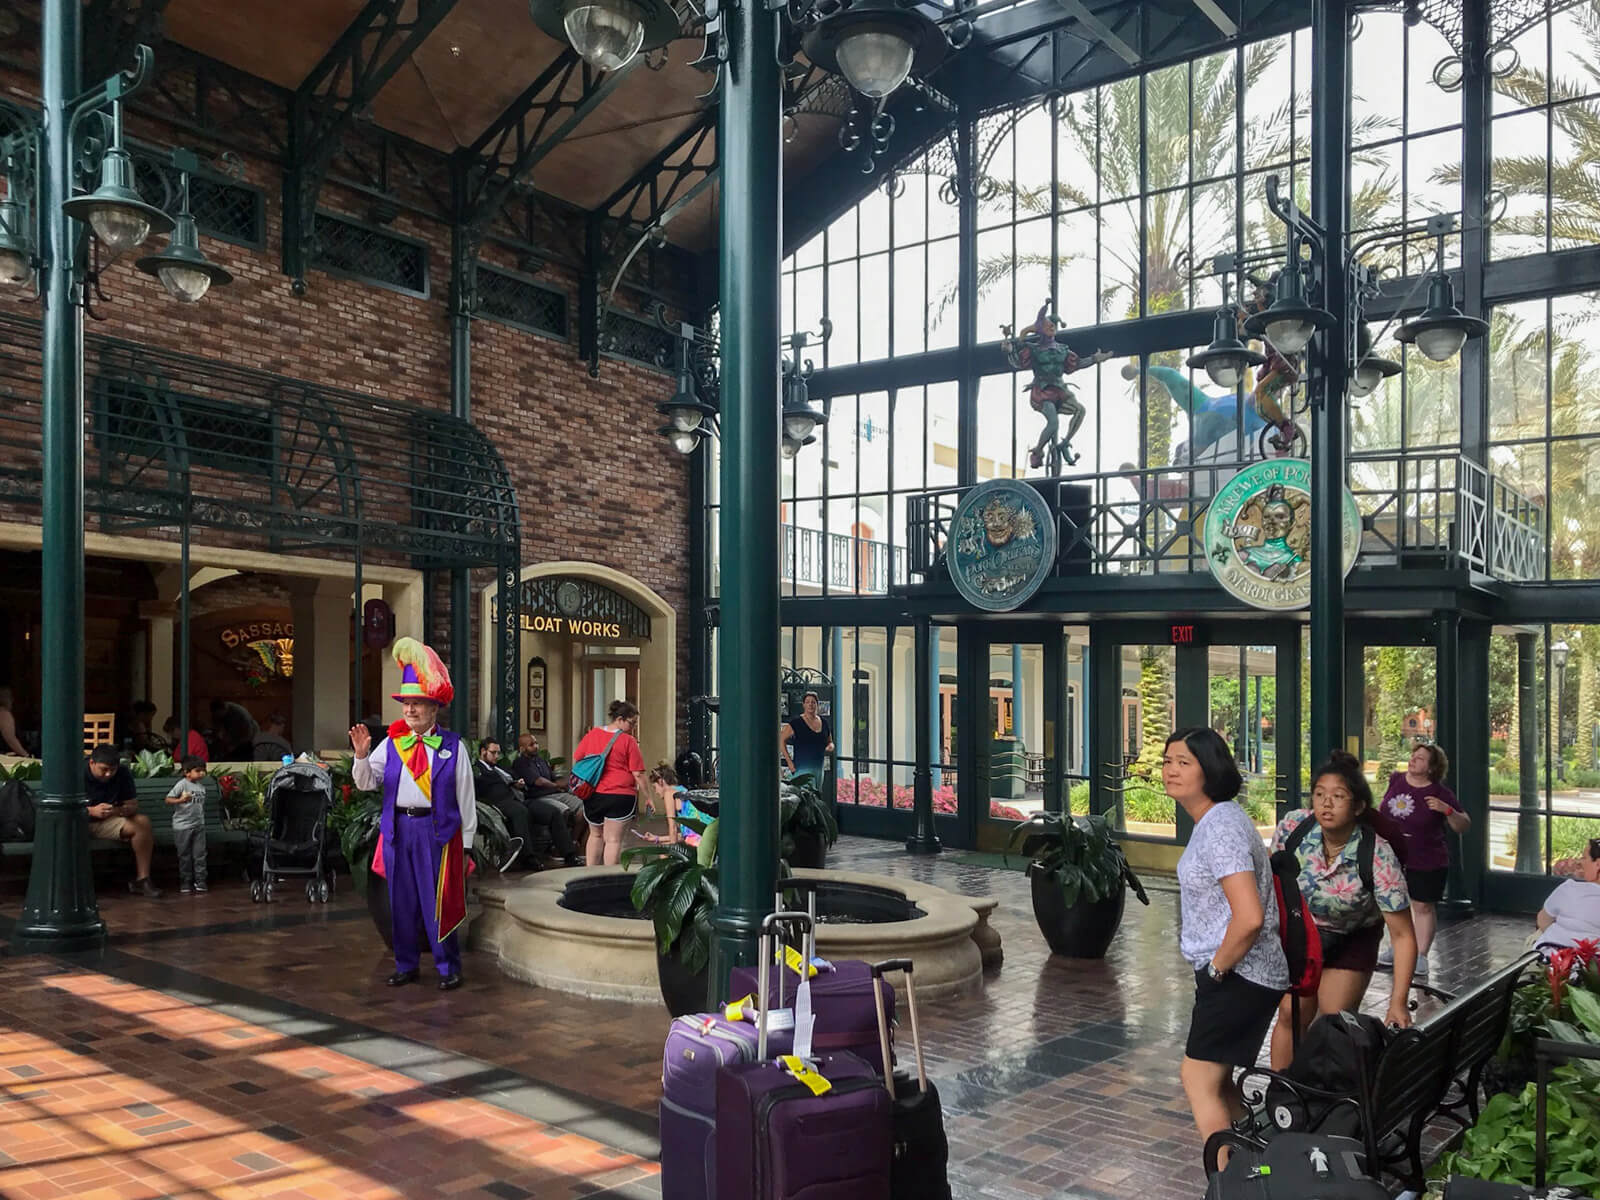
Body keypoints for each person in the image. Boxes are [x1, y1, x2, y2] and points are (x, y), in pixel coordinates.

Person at [1168, 727, 1289, 1153]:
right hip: (1245, 974)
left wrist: (1216, 969)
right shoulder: (1219, 820)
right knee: (1220, 1085)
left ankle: (1227, 1180)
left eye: (1184, 762)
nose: (1171, 770)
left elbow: (1250, 916)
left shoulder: (1220, 827)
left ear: (1210, 770)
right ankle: (1267, 1165)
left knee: (1198, 1078)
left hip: (1240, 973)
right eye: (1168, 761)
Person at [1268, 751, 1417, 1069]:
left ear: (1359, 806)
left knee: (1332, 1023)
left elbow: (1403, 936)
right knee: (1291, 1014)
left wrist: (1398, 1002)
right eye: (1319, 795)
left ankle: (1323, 1096)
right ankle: (1282, 1097)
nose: (1326, 804)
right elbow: (1271, 884)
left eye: (1338, 796)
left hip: (1352, 937)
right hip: (1303, 935)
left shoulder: (1377, 855)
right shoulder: (1293, 828)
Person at [350, 637, 476, 991]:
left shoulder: (454, 747)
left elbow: (465, 796)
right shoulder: (390, 743)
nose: (410, 710)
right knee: (401, 902)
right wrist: (361, 755)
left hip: (437, 833)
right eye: (407, 704)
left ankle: (448, 966)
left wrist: (466, 845)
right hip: (398, 831)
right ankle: (406, 965)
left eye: (418, 704)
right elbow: (365, 784)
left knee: (438, 903)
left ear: (434, 709)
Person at [1373, 742, 1469, 979]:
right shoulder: (1396, 780)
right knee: (1395, 903)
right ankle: (1397, 948)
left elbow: (1463, 825)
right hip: (1393, 857)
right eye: (1413, 756)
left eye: (1421, 758)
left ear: (1431, 767)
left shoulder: (1440, 793)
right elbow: (1382, 808)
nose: (1413, 760)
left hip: (1428, 857)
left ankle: (1421, 956)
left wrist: (1447, 810)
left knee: (1422, 906)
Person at [573, 699, 652, 866]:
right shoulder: (628, 741)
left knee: (595, 835)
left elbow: (578, 757)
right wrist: (648, 796)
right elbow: (638, 773)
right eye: (632, 723)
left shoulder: (593, 734)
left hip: (594, 794)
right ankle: (609, 880)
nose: (633, 727)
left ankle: (589, 876)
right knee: (613, 840)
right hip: (620, 795)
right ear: (620, 719)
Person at [85, 745, 161, 897]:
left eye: (112, 770)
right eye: (103, 769)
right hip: (78, 821)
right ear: (91, 763)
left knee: (142, 822)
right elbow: (65, 808)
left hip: (109, 819)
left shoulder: (122, 773)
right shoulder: (75, 772)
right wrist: (91, 810)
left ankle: (142, 879)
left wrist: (120, 810)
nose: (108, 774)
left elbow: (132, 804)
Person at [512, 732, 585, 846]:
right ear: (522, 748)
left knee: (584, 807)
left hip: (556, 794)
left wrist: (564, 785)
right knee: (564, 811)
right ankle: (559, 846)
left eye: (536, 743)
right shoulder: (520, 763)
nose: (536, 746)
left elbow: (554, 778)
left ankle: (573, 840)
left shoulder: (541, 761)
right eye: (531, 745)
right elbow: (538, 781)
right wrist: (556, 785)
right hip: (538, 797)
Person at [1534, 837, 1600, 953]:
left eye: (1584, 858)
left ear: (1598, 864)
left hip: (1552, 961)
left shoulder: (1569, 889)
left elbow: (1543, 920)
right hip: (1591, 966)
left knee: (1535, 936)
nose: (1580, 862)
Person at [165, 755, 210, 894]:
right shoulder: (182, 784)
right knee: (184, 855)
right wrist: (180, 800)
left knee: (199, 854)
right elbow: (168, 799)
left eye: (203, 771)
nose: (201, 773)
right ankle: (185, 881)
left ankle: (200, 880)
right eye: (198, 770)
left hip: (198, 825)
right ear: (187, 772)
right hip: (183, 826)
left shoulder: (201, 787)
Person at [640, 762, 711, 848]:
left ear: (661, 781)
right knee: (665, 849)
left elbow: (672, 828)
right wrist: (657, 838)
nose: (656, 792)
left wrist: (673, 851)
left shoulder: (668, 793)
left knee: (664, 853)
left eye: (655, 787)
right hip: (705, 834)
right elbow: (685, 835)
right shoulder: (681, 790)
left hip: (700, 839)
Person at [781, 691, 834, 781]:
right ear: (803, 705)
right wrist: (789, 762)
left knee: (816, 794)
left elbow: (830, 742)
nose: (810, 705)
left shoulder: (824, 723)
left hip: (818, 769)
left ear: (817, 705)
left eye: (813, 702)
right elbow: (781, 740)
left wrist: (830, 747)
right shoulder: (796, 723)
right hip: (801, 769)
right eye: (807, 702)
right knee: (803, 793)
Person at [0, 686, 30, 757]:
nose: (12, 700)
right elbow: (10, 739)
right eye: (10, 697)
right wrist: (25, 755)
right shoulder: (4, 714)